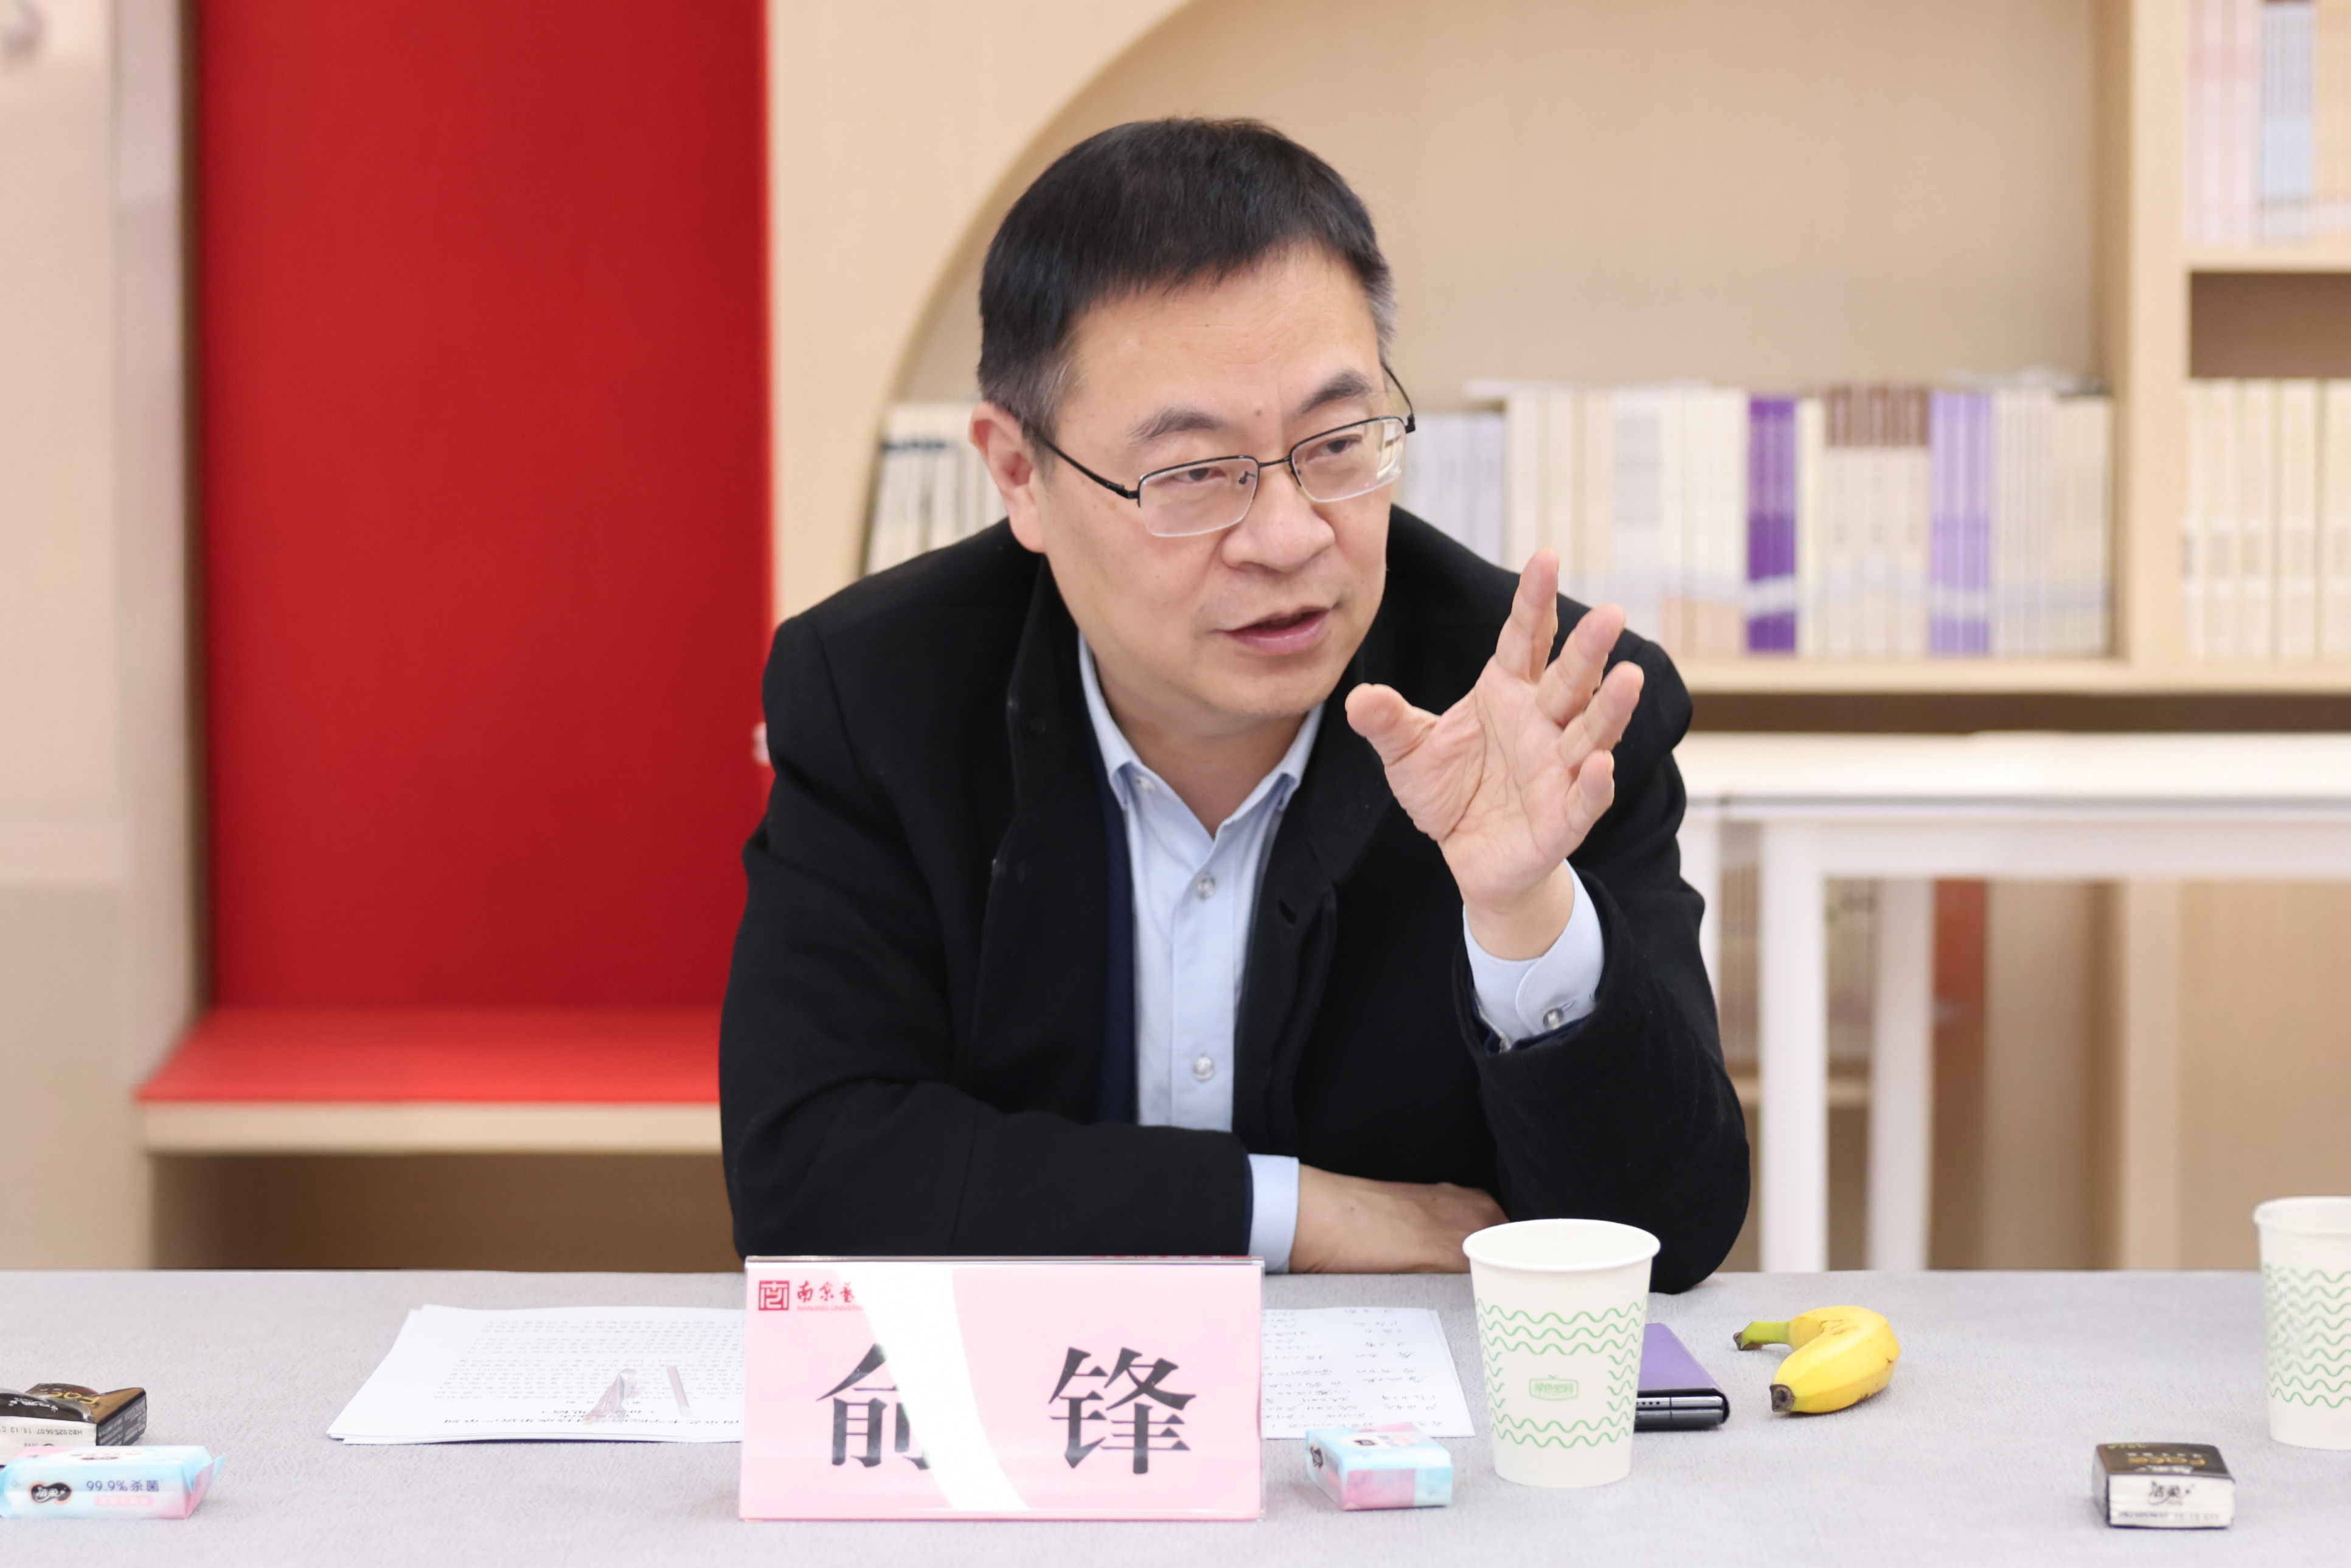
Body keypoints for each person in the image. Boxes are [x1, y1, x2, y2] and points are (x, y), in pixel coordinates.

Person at [721, 118, 1748, 1290]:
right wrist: (1291, 1211)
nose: (1289, 536)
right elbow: (808, 1177)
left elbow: (1663, 1236)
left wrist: (1525, 915)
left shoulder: (1538, 708)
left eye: (1337, 443)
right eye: (1195, 472)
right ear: (1019, 474)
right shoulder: (880, 693)